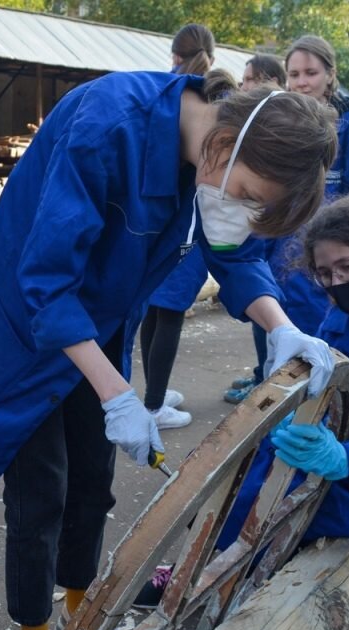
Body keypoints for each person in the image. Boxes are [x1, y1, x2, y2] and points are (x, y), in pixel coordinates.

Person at [0, 66, 339, 630]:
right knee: (40, 494)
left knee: (93, 480)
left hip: (100, 325)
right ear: (230, 140)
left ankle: (83, 616)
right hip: (25, 329)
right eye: (245, 194)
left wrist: (281, 326)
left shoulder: (211, 157)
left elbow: (231, 249)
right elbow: (47, 282)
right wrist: (117, 393)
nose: (239, 210)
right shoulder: (110, 126)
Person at [136, 193, 349, 608]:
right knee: (217, 477)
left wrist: (346, 461)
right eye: (325, 274)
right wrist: (286, 417)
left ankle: (203, 578)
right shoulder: (339, 319)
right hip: (319, 457)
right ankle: (208, 563)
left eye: (347, 267)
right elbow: (314, 397)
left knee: (262, 505)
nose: (336, 284)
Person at [224, 34, 349, 404]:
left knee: (324, 358)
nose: (301, 82)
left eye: (310, 73)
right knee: (274, 349)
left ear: (331, 75)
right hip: (277, 260)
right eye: (294, 74)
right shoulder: (282, 126)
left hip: (326, 268)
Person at [135, 22, 217, 430]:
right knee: (169, 314)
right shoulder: (207, 95)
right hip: (185, 222)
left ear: (174, 55)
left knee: (155, 310)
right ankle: (153, 405)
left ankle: (154, 392)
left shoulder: (163, 91)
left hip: (156, 223)